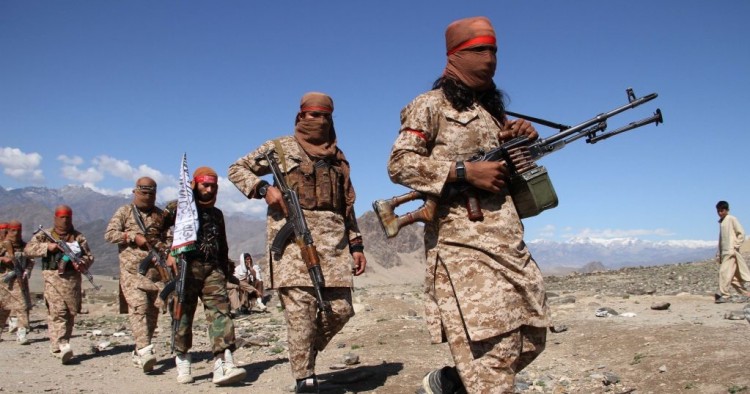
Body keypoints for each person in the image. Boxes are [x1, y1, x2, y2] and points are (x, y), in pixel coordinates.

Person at [386, 17, 550, 393]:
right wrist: (464, 172)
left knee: (532, 335)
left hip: (508, 242)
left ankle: (449, 382)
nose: (489, 58)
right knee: (491, 355)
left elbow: (503, 166)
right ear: (455, 56)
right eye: (478, 50)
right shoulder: (428, 106)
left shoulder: (492, 113)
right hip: (462, 247)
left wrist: (517, 138)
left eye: (493, 50)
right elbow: (400, 164)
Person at [228, 91, 367, 393]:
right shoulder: (279, 148)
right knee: (301, 315)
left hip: (334, 245)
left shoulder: (338, 158)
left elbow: (348, 206)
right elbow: (236, 169)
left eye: (325, 116)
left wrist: (356, 245)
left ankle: (303, 354)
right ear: (300, 116)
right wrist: (264, 189)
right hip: (292, 245)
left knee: (341, 310)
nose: (318, 121)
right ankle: (305, 379)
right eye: (312, 114)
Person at [162, 166, 246, 386]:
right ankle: (182, 358)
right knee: (182, 315)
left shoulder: (216, 214)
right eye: (205, 185)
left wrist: (227, 271)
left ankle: (223, 361)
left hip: (212, 270)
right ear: (195, 184)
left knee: (221, 312)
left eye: (213, 186)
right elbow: (154, 232)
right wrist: (167, 253)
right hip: (185, 269)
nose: (209, 190)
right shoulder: (177, 209)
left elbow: (223, 245)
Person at [104, 177, 170, 373]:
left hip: (155, 273)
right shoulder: (125, 212)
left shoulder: (160, 215)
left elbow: (169, 237)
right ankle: (144, 350)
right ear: (135, 192)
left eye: (151, 193)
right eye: (143, 193)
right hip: (131, 272)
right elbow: (109, 234)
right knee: (139, 307)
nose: (147, 197)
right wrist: (132, 236)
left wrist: (163, 250)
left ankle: (139, 349)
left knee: (152, 312)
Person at [24, 205, 94, 365]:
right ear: (55, 218)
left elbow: (89, 255)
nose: (65, 221)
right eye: (62, 217)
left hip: (72, 280)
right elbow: (28, 249)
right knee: (58, 312)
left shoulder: (78, 237)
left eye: (68, 218)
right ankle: (60, 346)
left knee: (70, 312)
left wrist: (82, 263)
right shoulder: (45, 235)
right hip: (52, 278)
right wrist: (47, 247)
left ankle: (61, 344)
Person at [0, 220, 34, 344]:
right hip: (4, 283)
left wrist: (27, 271)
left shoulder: (25, 246)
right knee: (3, 308)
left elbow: (30, 260)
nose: (16, 233)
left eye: (19, 230)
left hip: (20, 282)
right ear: (8, 231)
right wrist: (3, 260)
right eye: (13, 230)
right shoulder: (3, 245)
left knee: (22, 307)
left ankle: (21, 333)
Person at [715, 201, 750, 303]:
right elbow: (722, 239)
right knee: (732, 276)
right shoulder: (722, 221)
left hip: (731, 252)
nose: (720, 212)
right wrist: (719, 253)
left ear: (727, 210)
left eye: (722, 210)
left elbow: (741, 233)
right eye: (718, 211)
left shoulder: (731, 219)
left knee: (723, 272)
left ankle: (725, 295)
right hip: (724, 252)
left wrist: (735, 245)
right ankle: (746, 293)